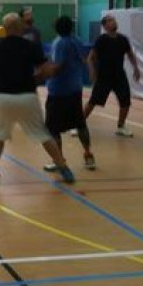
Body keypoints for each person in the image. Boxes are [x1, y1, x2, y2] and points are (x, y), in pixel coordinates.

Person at [0, 12, 74, 184]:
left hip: (3, 96)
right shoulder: (31, 46)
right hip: (27, 96)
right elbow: (45, 70)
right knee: (43, 135)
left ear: (4, 28)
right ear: (21, 27)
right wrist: (37, 77)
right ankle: (63, 168)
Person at [42, 16, 96, 171]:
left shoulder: (60, 43)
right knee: (80, 124)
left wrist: (44, 73)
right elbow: (83, 58)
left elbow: (58, 66)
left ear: (57, 28)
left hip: (59, 91)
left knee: (52, 128)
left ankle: (59, 160)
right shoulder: (77, 40)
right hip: (75, 89)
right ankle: (88, 154)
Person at [84, 14, 141, 137]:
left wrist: (136, 68)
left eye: (113, 20)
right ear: (105, 26)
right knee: (93, 101)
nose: (113, 22)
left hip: (119, 75)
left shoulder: (123, 39)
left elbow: (130, 55)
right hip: (104, 76)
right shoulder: (101, 40)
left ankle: (121, 127)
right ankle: (79, 125)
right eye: (110, 21)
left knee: (125, 101)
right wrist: (92, 71)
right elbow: (90, 58)